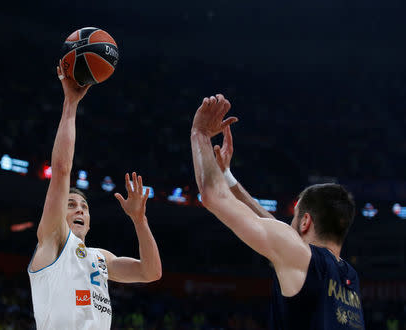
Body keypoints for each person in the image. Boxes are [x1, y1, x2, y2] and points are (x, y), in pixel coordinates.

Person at [190, 94, 365, 329]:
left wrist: (199, 135)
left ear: (305, 222)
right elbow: (272, 226)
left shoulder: (304, 257)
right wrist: (228, 177)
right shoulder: (348, 277)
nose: (286, 225)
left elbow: (212, 196)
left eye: (293, 218)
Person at [28, 62, 162, 330]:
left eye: (84, 207)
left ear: (89, 220)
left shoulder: (100, 258)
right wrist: (70, 104)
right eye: (71, 204)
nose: (79, 210)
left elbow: (151, 272)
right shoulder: (52, 243)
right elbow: (62, 170)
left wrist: (139, 220)